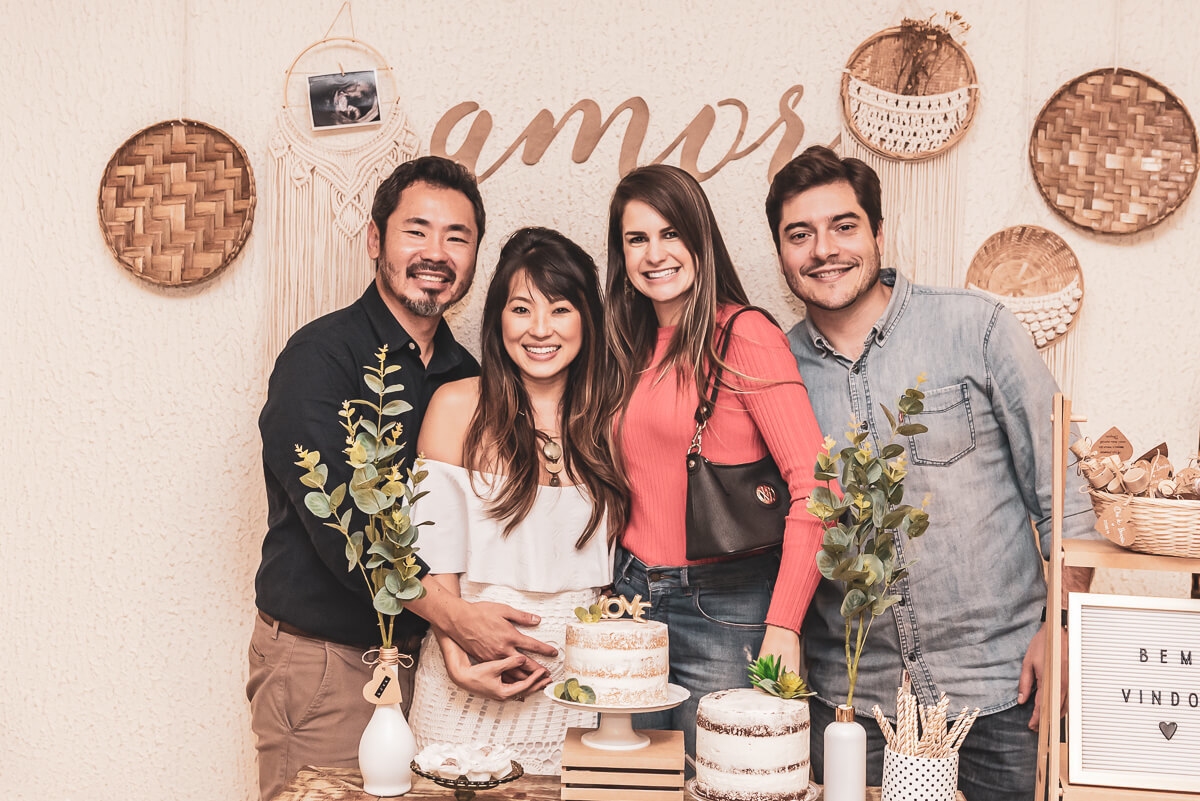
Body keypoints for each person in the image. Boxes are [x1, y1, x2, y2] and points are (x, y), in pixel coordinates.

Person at [766, 145, 1097, 801]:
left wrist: (1061, 626)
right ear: (779, 252)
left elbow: (1062, 496)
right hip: (851, 706)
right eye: (798, 234)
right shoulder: (776, 370)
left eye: (844, 226)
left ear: (879, 233)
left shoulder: (977, 328)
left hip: (999, 689)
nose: (823, 249)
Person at [248, 157, 557, 801]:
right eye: (417, 230)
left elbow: (469, 534)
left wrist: (460, 641)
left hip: (435, 674)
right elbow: (345, 532)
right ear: (374, 241)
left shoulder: (465, 377)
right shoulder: (318, 358)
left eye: (458, 237)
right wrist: (459, 623)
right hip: (326, 665)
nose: (436, 253)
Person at [604, 164, 826, 759]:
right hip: (632, 603)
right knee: (637, 789)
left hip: (726, 608)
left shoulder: (743, 335)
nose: (655, 253)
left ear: (700, 238)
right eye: (636, 238)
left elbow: (816, 485)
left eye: (671, 233)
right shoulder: (624, 344)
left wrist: (784, 623)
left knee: (729, 781)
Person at [407, 226, 627, 774]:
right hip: (464, 685)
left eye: (560, 309)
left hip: (577, 697)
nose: (540, 330)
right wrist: (458, 655)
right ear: (497, 318)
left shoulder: (614, 418)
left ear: (587, 320)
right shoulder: (456, 405)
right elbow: (431, 561)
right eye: (522, 309)